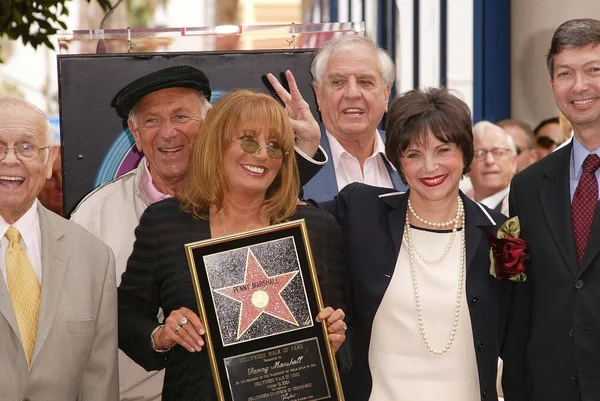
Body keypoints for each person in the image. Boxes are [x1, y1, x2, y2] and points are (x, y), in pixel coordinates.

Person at [70, 65, 325, 401]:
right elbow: (91, 320)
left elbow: (277, 188)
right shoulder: (92, 215)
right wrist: (157, 335)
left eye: (180, 116)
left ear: (209, 126)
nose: (168, 133)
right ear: (133, 133)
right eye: (151, 121)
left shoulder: (251, 194)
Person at [118, 89, 349, 400]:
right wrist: (160, 335)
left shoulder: (315, 228)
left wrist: (334, 341)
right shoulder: (165, 223)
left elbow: (347, 345)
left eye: (275, 146)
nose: (262, 154)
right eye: (249, 141)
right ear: (217, 144)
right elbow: (126, 314)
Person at [325, 87, 514, 401]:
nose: (429, 166)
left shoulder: (504, 233)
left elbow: (520, 328)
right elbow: (291, 220)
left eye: (443, 150)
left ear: (465, 153)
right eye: (414, 154)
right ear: (398, 161)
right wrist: (304, 150)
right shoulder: (360, 211)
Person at [503, 18, 600, 401]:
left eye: (594, 70)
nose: (579, 86)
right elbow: (516, 291)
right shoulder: (526, 187)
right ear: (552, 86)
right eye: (565, 73)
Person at [0, 97, 118, 399]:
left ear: (49, 160)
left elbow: (99, 382)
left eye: (26, 147)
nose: (10, 160)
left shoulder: (94, 257)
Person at [302, 35, 407, 202]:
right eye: (338, 82)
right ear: (319, 95)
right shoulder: (294, 165)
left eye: (365, 82)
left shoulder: (409, 154)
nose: (352, 94)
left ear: (386, 95)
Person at [469, 121, 518, 215]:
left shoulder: (525, 207)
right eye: (480, 154)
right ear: (466, 166)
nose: (489, 161)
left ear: (514, 162)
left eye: (498, 152)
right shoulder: (456, 213)